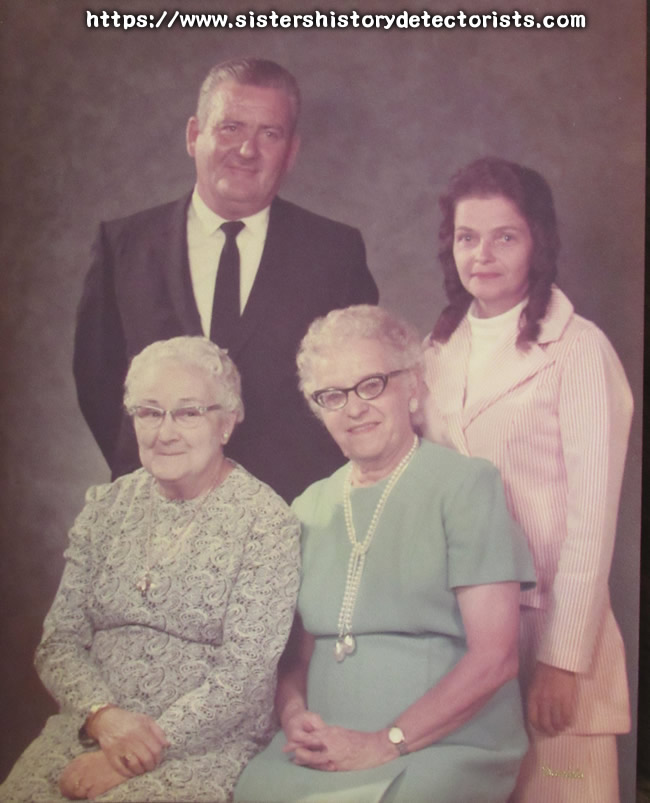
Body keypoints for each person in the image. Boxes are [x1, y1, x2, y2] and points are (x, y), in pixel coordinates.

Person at [234, 305, 536, 803]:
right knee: (253, 792)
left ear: (412, 386)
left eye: (371, 384)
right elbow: (297, 660)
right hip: (326, 748)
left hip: (445, 746)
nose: (354, 409)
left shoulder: (465, 486)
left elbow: (496, 657)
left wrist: (385, 742)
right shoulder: (306, 508)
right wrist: (292, 716)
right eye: (332, 395)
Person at [1, 336, 300, 802]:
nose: (165, 432)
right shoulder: (106, 507)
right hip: (89, 729)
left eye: (187, 412)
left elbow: (246, 674)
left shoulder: (265, 520)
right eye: (149, 412)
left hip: (200, 745)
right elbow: (58, 641)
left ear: (226, 423)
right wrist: (104, 717)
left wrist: (130, 754)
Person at [421, 157, 632, 802]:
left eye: (504, 236)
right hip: (463, 634)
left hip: (554, 627)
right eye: (467, 236)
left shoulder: (579, 349)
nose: (482, 254)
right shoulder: (435, 349)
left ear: (538, 242)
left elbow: (594, 521)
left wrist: (563, 661)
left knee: (562, 792)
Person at [73, 57, 378, 504]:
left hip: (294, 511)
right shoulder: (124, 246)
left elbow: (356, 389)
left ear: (291, 151)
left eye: (268, 134)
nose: (247, 150)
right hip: (155, 507)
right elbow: (98, 381)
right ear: (194, 135)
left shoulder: (335, 252)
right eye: (230, 127)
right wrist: (162, 462)